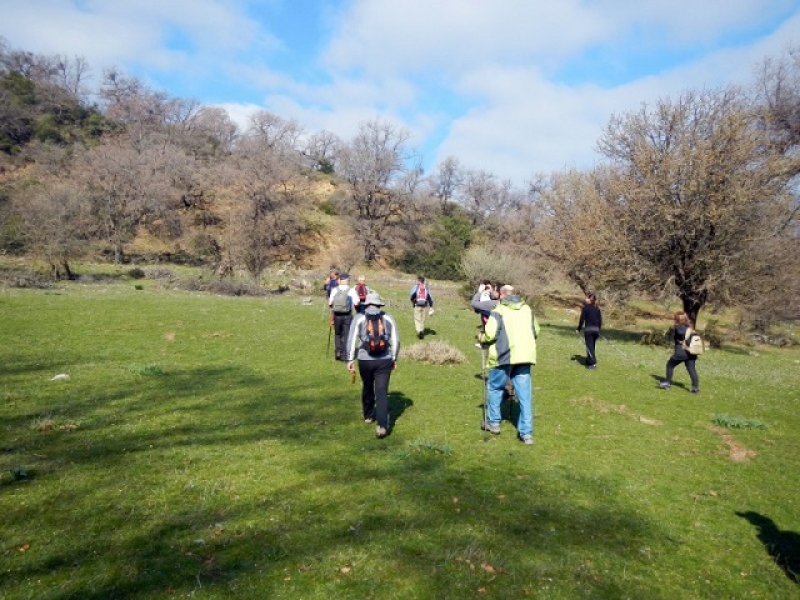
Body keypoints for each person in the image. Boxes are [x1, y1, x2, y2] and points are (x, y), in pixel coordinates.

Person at [473, 285, 540, 445]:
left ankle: (494, 423)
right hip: (525, 356)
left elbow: (490, 334)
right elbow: (536, 331)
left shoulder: (499, 310)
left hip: (504, 356)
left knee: (495, 387)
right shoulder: (527, 309)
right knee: (524, 395)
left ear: (502, 295)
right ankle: (527, 433)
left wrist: (481, 337)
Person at [346, 292, 400, 438]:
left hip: (364, 360)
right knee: (382, 392)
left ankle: (368, 415)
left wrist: (350, 360)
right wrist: (394, 358)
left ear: (366, 304)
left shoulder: (359, 318)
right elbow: (396, 340)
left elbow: (351, 340)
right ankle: (382, 426)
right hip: (384, 360)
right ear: (379, 304)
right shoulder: (388, 318)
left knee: (367, 386)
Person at [659, 311, 700, 393]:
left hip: (681, 353)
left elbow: (681, 332)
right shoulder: (690, 327)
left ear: (677, 319)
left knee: (669, 365)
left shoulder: (679, 326)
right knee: (691, 369)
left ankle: (667, 382)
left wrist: (682, 340)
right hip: (691, 353)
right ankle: (695, 388)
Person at [328, 272, 360, 361]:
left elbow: (330, 303)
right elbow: (357, 302)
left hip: (337, 315)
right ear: (347, 280)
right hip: (347, 316)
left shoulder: (335, 289)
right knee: (346, 335)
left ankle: (338, 352)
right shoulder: (351, 290)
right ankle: (345, 355)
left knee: (337, 334)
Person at [576, 293, 602, 369]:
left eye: (586, 298)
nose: (585, 299)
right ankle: (588, 360)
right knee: (592, 346)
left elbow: (582, 320)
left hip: (589, 330)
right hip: (596, 330)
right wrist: (598, 330)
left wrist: (578, 329)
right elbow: (600, 321)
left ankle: (592, 363)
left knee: (589, 346)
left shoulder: (586, 308)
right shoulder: (597, 308)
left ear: (589, 299)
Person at [409, 275, 434, 339]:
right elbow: (430, 297)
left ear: (418, 280)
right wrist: (431, 306)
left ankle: (419, 331)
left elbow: (412, 295)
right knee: (422, 320)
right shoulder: (426, 287)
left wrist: (413, 302)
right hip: (424, 306)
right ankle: (422, 331)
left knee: (417, 319)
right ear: (423, 281)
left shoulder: (416, 286)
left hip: (417, 305)